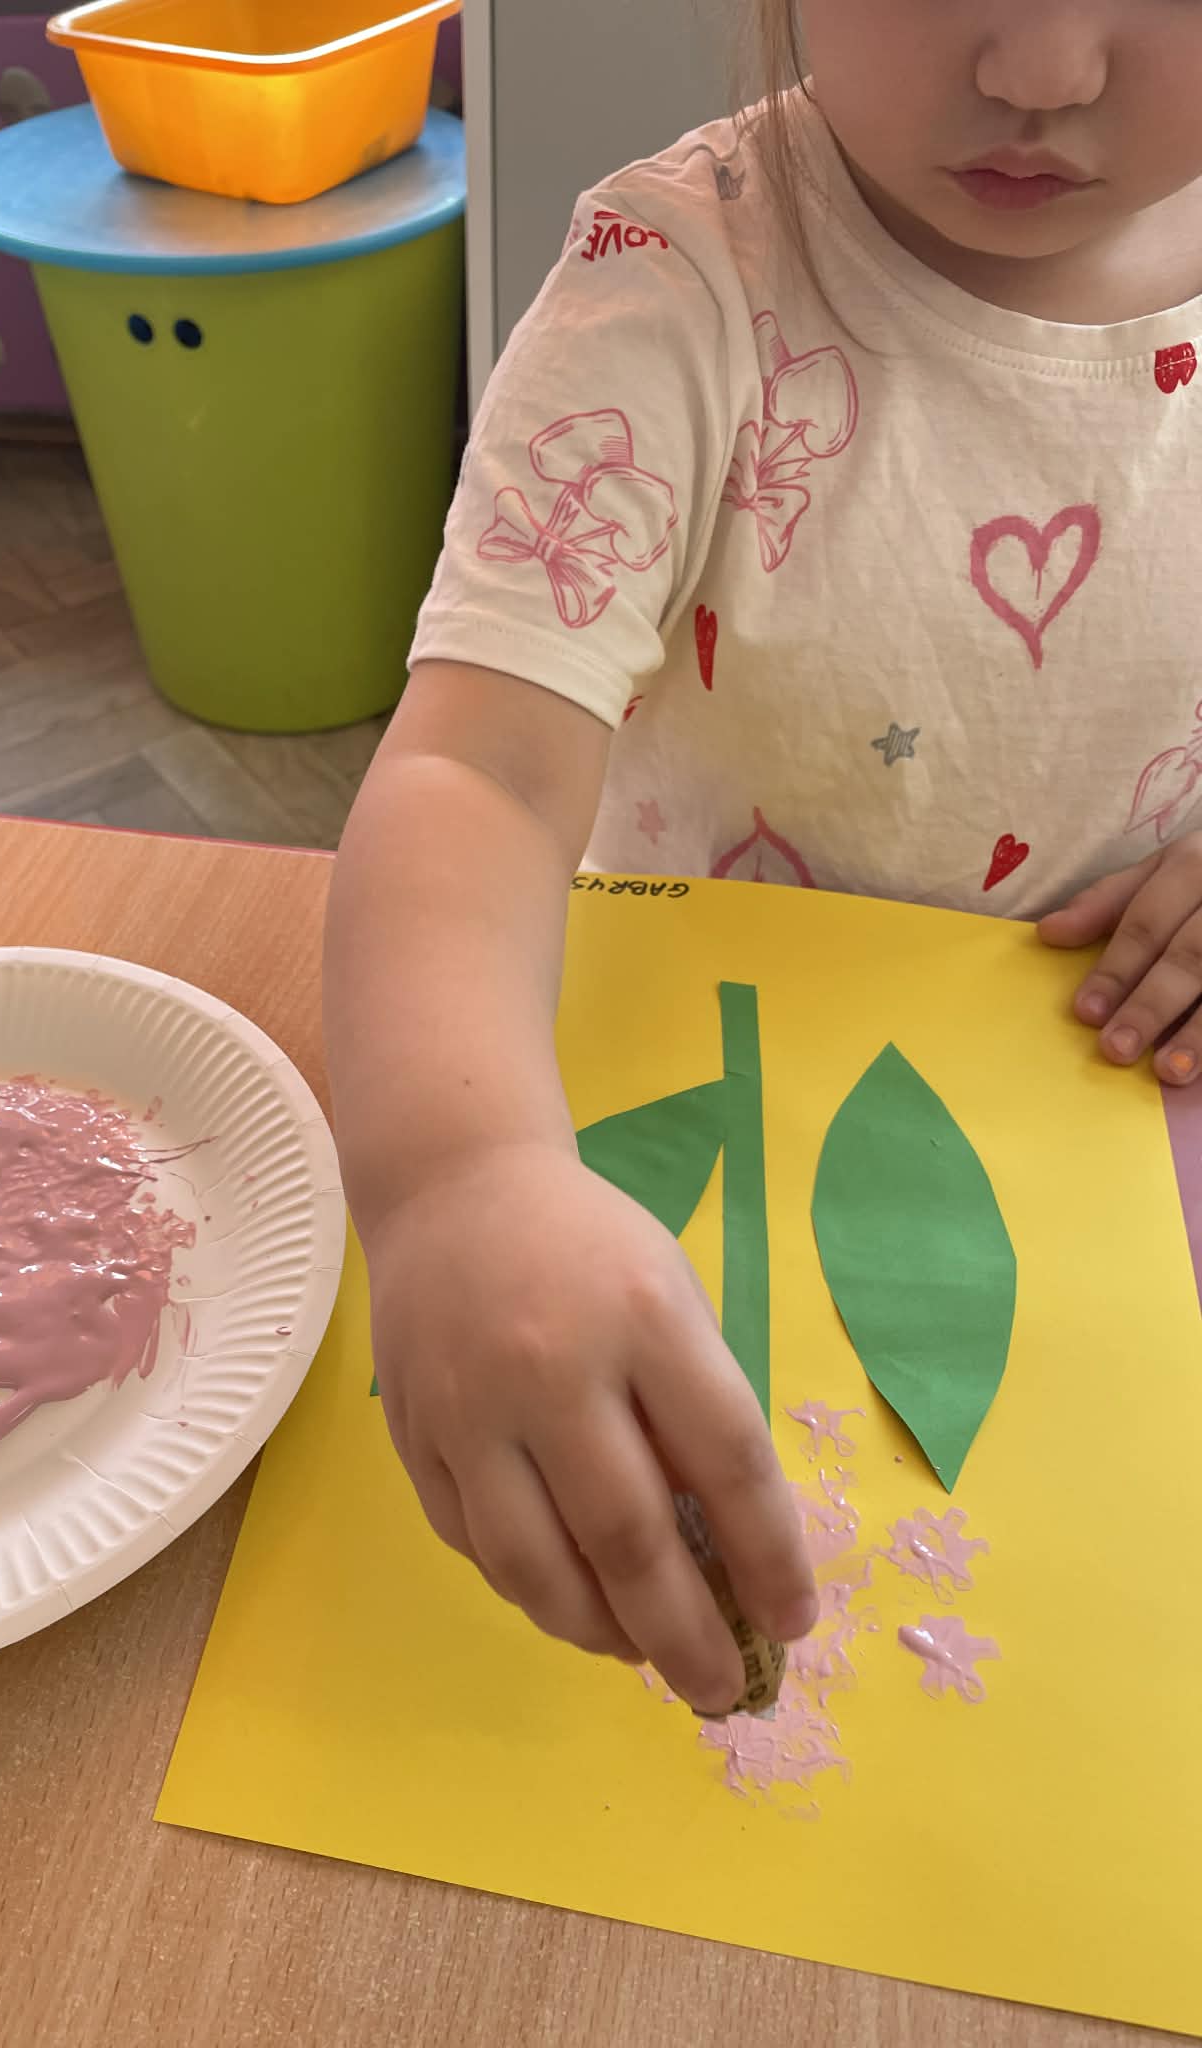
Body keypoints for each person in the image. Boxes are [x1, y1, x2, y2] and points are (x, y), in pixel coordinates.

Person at [323, 1, 1202, 1717]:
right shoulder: (678, 279)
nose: (1044, 72)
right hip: (677, 1129)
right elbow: (476, 778)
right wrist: (454, 1178)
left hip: (1112, 1112)